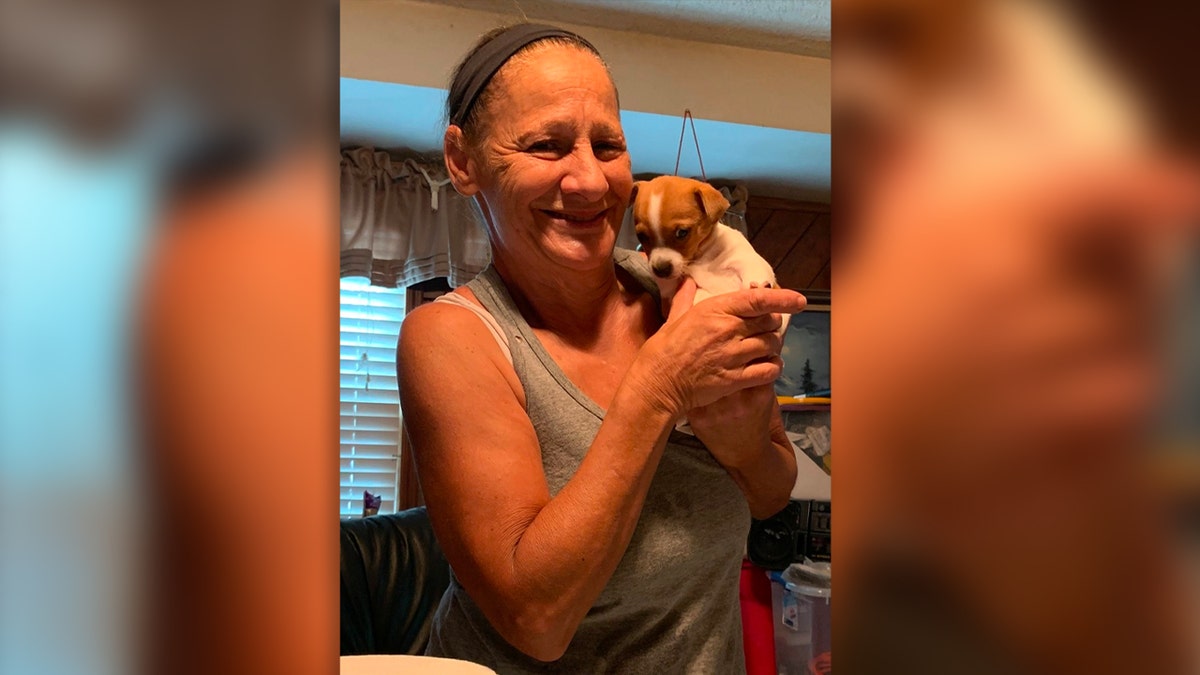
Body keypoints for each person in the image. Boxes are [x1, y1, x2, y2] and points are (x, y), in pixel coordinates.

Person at [395, 23, 805, 673]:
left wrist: (743, 436)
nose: (590, 181)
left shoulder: (683, 292)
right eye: (546, 145)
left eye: (608, 144)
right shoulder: (454, 336)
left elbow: (772, 490)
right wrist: (659, 386)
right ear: (463, 162)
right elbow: (537, 619)